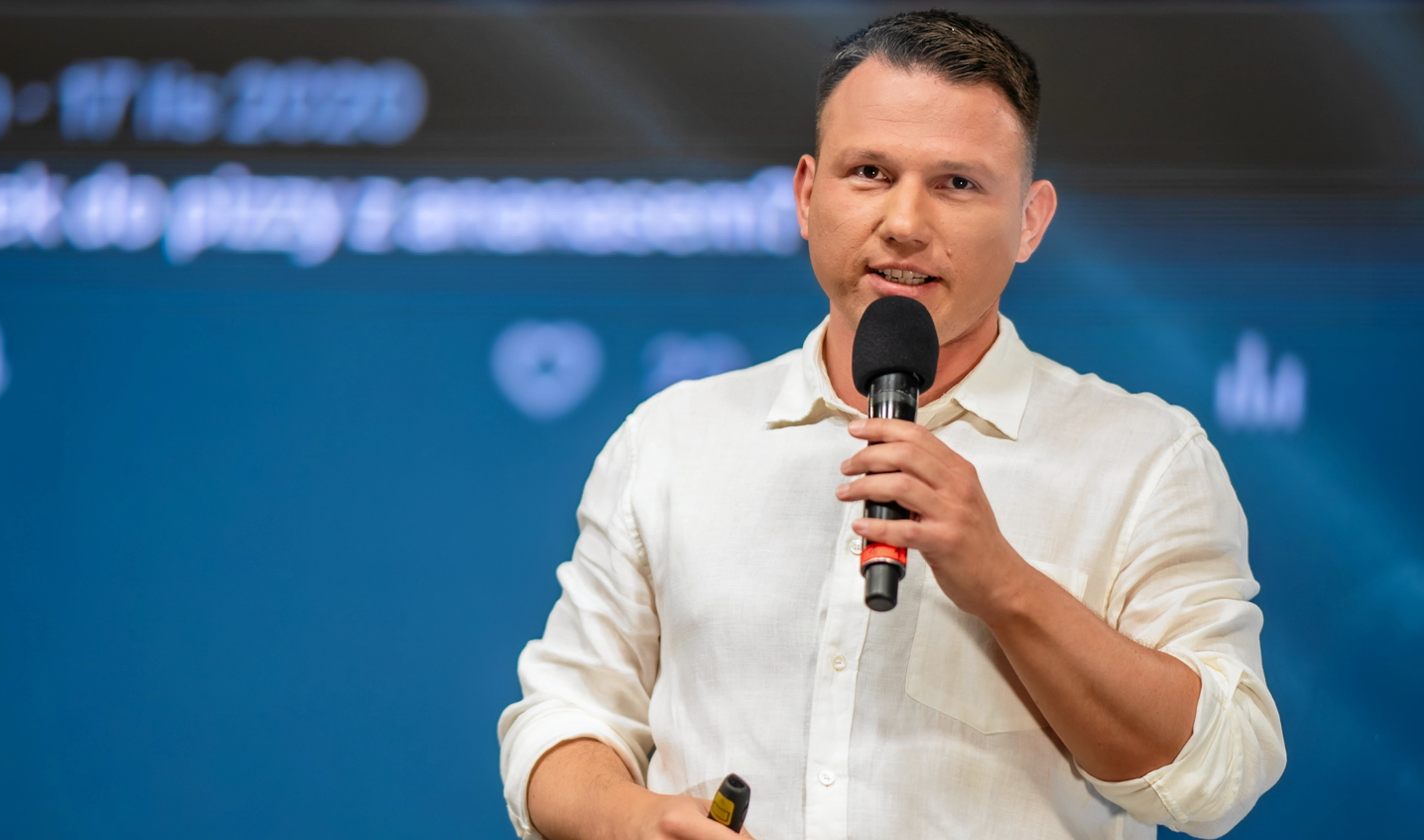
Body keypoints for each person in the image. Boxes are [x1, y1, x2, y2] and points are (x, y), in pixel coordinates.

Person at [497, 10, 1285, 840]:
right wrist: (638, 820)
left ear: (1030, 219)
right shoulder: (672, 441)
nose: (905, 222)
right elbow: (560, 722)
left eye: (958, 183)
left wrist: (1004, 584)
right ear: (808, 195)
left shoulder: (1144, 458)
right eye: (869, 172)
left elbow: (1218, 778)